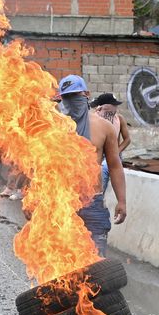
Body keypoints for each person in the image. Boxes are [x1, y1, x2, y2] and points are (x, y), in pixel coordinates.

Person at [58, 75, 127, 257]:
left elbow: (114, 166)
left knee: (97, 258)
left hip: (92, 201)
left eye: (76, 95)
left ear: (87, 94)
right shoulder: (55, 128)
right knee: (63, 257)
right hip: (61, 200)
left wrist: (122, 201)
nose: (72, 101)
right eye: (67, 97)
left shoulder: (104, 127)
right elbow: (42, 165)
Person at [91, 92, 131, 194]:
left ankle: (100, 196)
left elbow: (127, 139)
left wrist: (117, 151)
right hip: (99, 155)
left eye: (116, 105)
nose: (115, 107)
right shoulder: (95, 118)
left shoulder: (119, 119)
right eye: (113, 105)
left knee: (104, 168)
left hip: (114, 154)